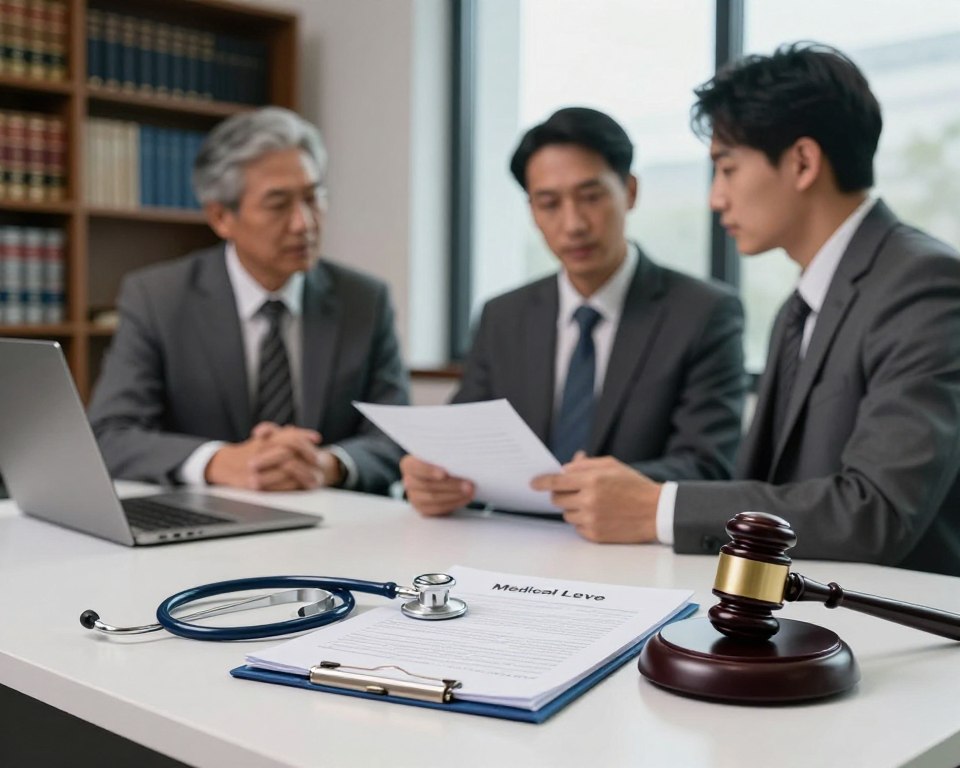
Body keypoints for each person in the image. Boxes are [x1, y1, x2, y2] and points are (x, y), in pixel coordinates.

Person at [533, 44, 960, 576]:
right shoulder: (801, 304)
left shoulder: (923, 283)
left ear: (803, 162)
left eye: (727, 169)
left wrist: (657, 508)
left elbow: (877, 511)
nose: (716, 198)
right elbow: (770, 484)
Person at [402, 107, 746, 518]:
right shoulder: (503, 316)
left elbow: (708, 465)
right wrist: (431, 476)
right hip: (509, 541)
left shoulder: (703, 313)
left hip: (632, 551)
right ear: (531, 210)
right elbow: (462, 443)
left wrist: (595, 490)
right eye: (549, 203)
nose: (573, 224)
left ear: (630, 191)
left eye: (591, 197)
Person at [88, 107, 408, 495]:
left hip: (331, 524)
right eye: (278, 205)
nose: (303, 223)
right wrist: (219, 462)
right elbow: (111, 435)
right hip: (202, 529)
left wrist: (327, 465)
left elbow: (395, 437)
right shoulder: (158, 298)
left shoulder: (365, 301)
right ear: (221, 217)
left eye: (313, 197)